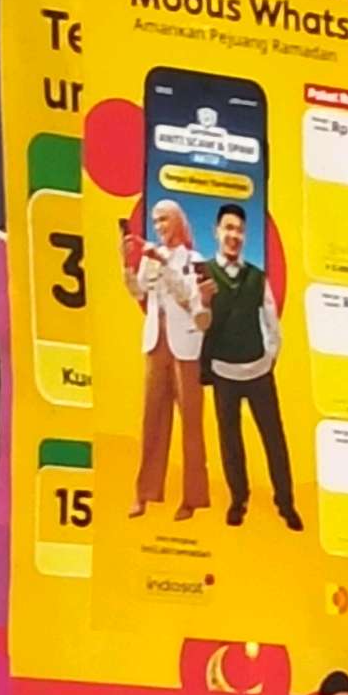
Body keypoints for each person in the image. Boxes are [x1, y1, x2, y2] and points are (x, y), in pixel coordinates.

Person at [200, 203, 300, 530]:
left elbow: (272, 321)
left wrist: (269, 357)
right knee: (230, 441)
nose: (234, 235)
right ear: (216, 232)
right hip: (223, 372)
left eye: (240, 230)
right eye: (228, 228)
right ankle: (238, 499)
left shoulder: (257, 277)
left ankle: (285, 502)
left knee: (274, 438)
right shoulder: (202, 274)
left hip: (258, 371)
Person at [124, 200, 209, 520]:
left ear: (178, 222)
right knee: (152, 420)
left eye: (164, 220)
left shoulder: (194, 260)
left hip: (185, 345)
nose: (159, 227)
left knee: (191, 423)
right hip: (156, 341)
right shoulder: (151, 256)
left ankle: (192, 498)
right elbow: (139, 292)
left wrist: (164, 262)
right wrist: (127, 265)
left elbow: (190, 298)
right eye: (155, 221)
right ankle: (144, 493)